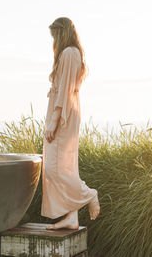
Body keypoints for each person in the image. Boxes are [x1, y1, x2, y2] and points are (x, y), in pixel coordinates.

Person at [41, 17, 100, 230]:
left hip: (64, 114)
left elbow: (64, 91)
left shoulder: (69, 53)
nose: (53, 41)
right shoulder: (73, 54)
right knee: (63, 166)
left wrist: (54, 122)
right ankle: (72, 217)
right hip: (66, 111)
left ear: (61, 33)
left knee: (53, 168)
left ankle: (89, 194)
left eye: (54, 36)